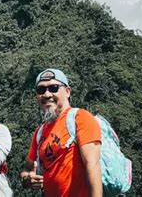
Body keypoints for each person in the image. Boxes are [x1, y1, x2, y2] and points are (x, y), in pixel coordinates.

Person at [20, 69, 102, 197]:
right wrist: (27, 179)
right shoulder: (39, 133)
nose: (47, 94)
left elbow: (93, 166)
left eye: (53, 88)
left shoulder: (80, 118)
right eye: (41, 90)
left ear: (67, 92)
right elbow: (26, 169)